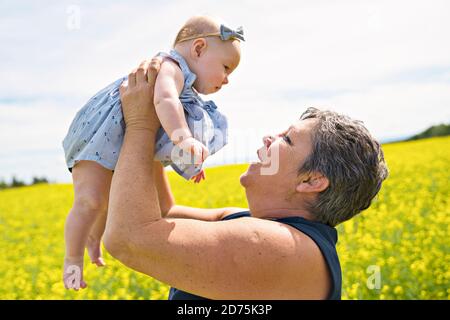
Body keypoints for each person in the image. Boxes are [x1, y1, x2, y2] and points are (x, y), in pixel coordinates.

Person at [101, 58, 389, 299]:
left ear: (312, 180)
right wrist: (161, 127)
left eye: (287, 139)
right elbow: (163, 213)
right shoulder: (249, 222)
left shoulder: (279, 246)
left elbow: (129, 238)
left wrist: (140, 124)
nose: (269, 137)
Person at [61, 15, 244, 290]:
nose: (227, 79)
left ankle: (92, 239)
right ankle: (72, 261)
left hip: (117, 142)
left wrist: (190, 159)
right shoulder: (172, 68)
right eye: (226, 67)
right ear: (198, 49)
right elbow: (164, 101)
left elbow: (162, 132)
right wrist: (183, 139)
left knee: (109, 202)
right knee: (90, 201)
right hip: (95, 137)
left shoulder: (185, 85)